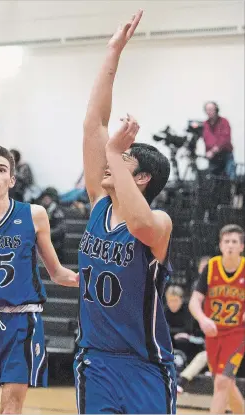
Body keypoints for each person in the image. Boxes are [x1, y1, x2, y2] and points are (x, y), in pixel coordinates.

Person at [75, 10, 177, 414]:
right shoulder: (99, 204)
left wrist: (117, 151)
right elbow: (93, 123)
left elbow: (138, 223)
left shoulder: (160, 223)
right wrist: (112, 53)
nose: (107, 164)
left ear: (142, 179)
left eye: (121, 164)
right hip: (95, 360)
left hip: (145, 365)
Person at [0, 145, 78, 414]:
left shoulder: (33, 215)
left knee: (11, 408)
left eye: (1, 170)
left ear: (12, 179)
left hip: (22, 320)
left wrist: (85, 280)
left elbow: (56, 272)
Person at [189, 224, 245, 414]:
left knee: (221, 382)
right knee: (226, 385)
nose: (230, 245)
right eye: (226, 241)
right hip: (213, 333)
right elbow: (194, 301)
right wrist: (203, 319)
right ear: (220, 245)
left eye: (234, 241)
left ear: (241, 247)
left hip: (237, 334)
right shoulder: (211, 267)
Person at [203, 101, 235, 179]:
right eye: (207, 110)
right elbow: (205, 139)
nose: (209, 112)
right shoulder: (205, 124)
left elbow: (225, 139)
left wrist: (213, 150)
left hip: (225, 155)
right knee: (214, 181)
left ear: (216, 110)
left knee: (230, 179)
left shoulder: (224, 122)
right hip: (213, 159)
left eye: (211, 109)